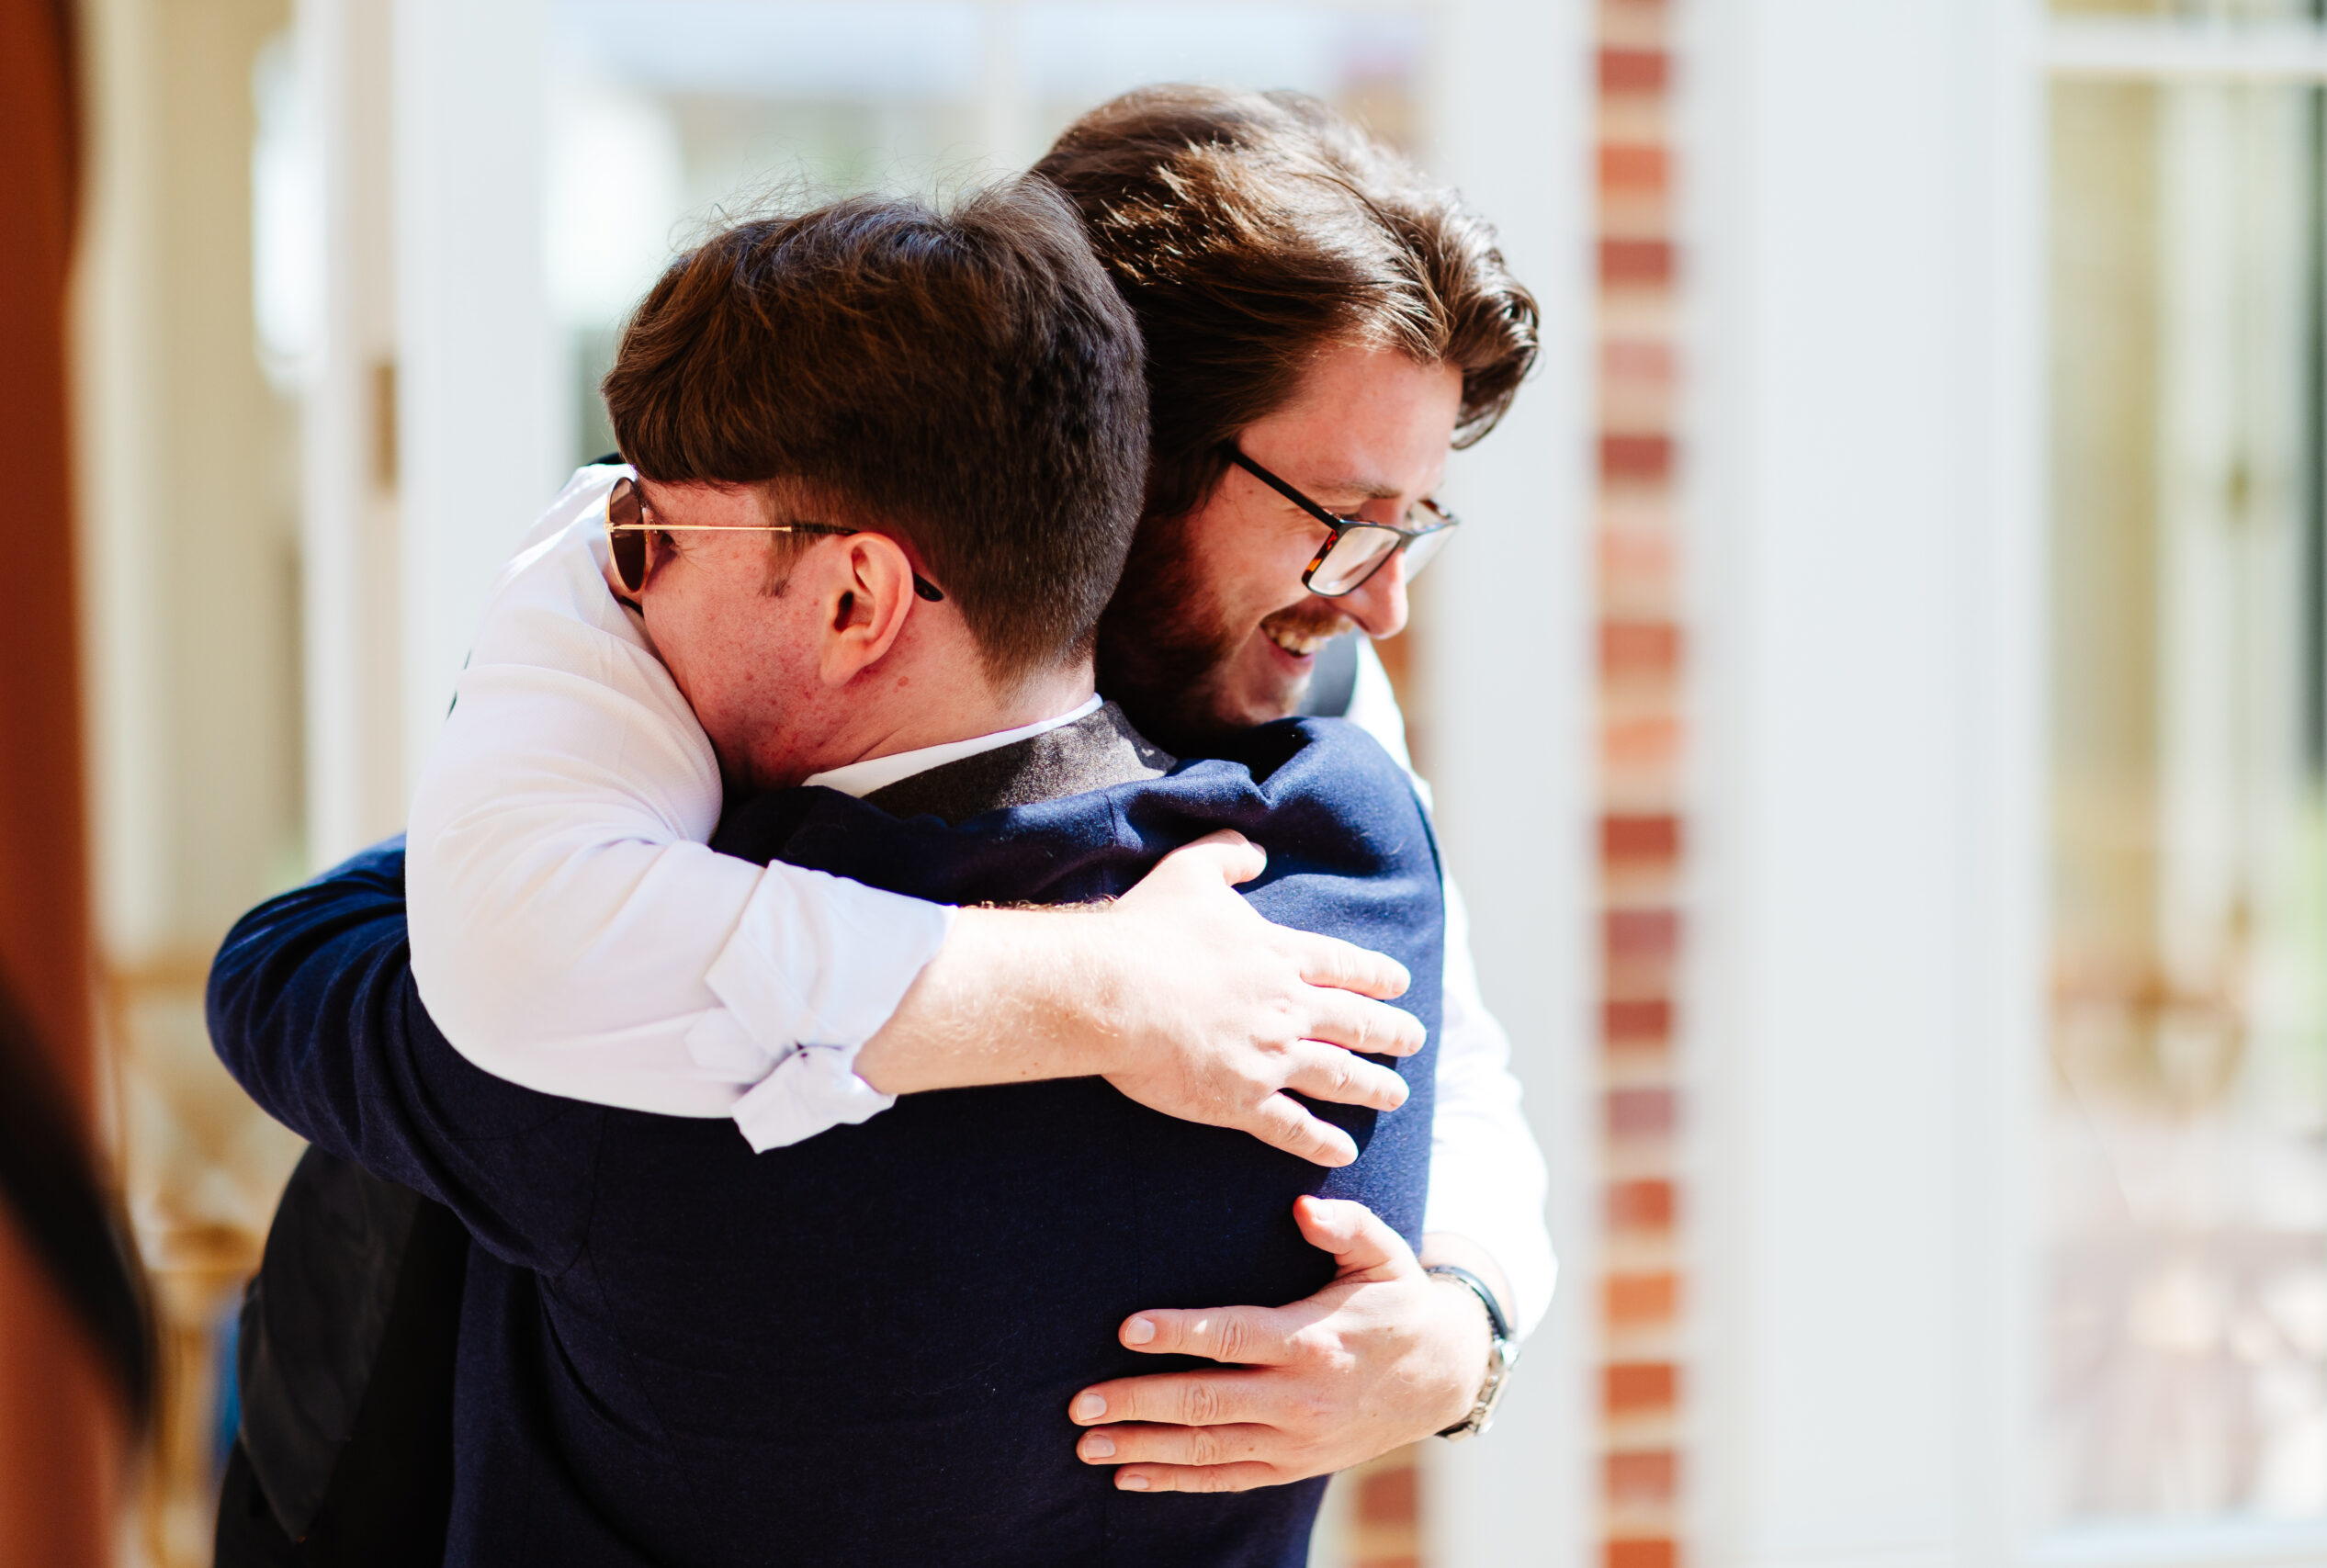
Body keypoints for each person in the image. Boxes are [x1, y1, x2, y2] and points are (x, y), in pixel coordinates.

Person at [215, 180, 1460, 1567]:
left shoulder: (618, 1075)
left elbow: (278, 968)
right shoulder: (1353, 853)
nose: (621, 592)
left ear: (855, 600)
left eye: (642, 542)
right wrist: (1468, 1322)